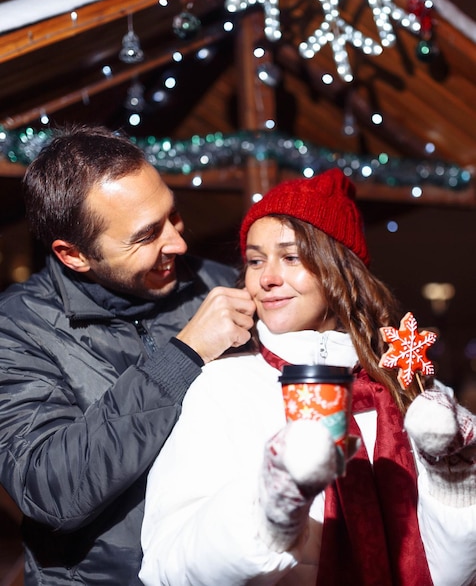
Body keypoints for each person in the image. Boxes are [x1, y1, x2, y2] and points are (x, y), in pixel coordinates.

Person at [139, 168, 476, 586]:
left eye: (292, 257)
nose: (266, 278)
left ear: (340, 268)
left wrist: (457, 489)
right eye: (256, 260)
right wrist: (269, 514)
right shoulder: (221, 388)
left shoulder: (411, 388)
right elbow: (165, 567)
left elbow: (448, 575)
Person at [0, 124, 256, 585]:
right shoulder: (16, 329)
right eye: (146, 235)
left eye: (173, 216)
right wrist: (184, 356)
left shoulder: (220, 285)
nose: (178, 243)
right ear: (74, 254)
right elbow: (50, 492)